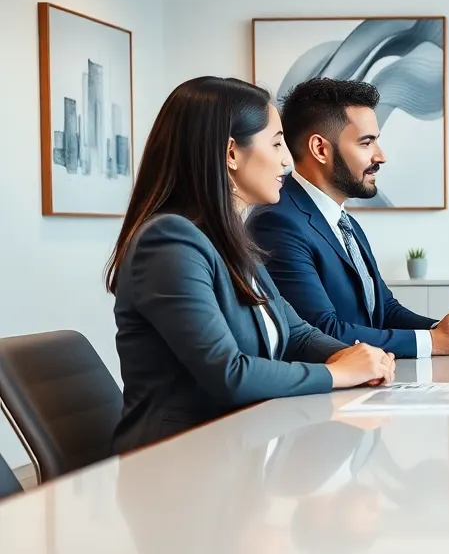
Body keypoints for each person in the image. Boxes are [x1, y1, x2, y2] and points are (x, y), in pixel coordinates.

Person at [106, 77, 395, 454]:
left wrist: (357, 356)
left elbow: (297, 334)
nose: (287, 161)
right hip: (176, 466)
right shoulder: (170, 241)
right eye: (276, 144)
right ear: (231, 153)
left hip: (238, 449)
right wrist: (340, 372)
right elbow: (229, 373)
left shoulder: (230, 240)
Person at [250, 78, 449, 358]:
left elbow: (385, 309)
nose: (380, 156)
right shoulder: (278, 222)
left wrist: (442, 331)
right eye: (366, 142)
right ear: (320, 149)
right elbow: (320, 331)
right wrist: (433, 342)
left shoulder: (345, 222)